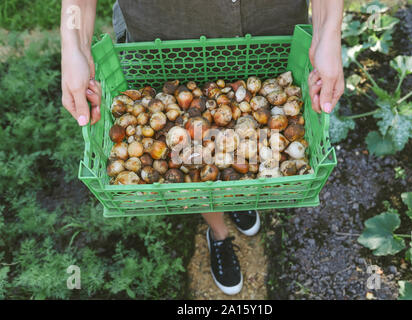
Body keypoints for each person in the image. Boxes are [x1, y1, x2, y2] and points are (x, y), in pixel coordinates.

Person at [60, 0, 344, 295]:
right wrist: (73, 45)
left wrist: (329, 32)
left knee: (220, 155)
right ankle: (219, 233)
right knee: (195, 166)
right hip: (170, 29)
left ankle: (241, 194)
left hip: (268, 19)